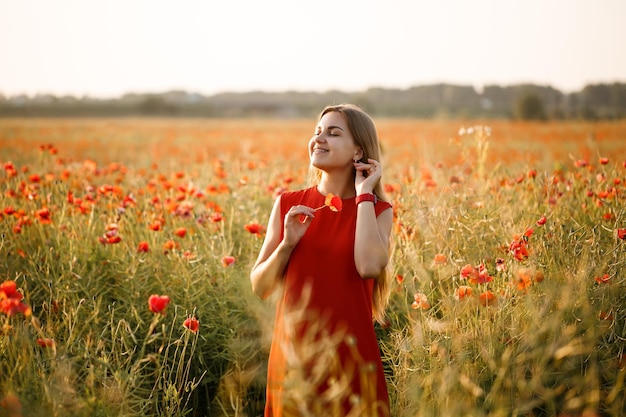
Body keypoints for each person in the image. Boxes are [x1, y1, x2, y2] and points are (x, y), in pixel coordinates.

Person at [250, 103, 393, 417]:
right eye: (317, 132)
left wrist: (365, 193)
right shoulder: (288, 203)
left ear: (358, 151)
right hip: (295, 361)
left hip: (352, 361)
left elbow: (368, 266)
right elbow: (260, 287)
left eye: (333, 132)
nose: (319, 139)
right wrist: (287, 244)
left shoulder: (378, 211)